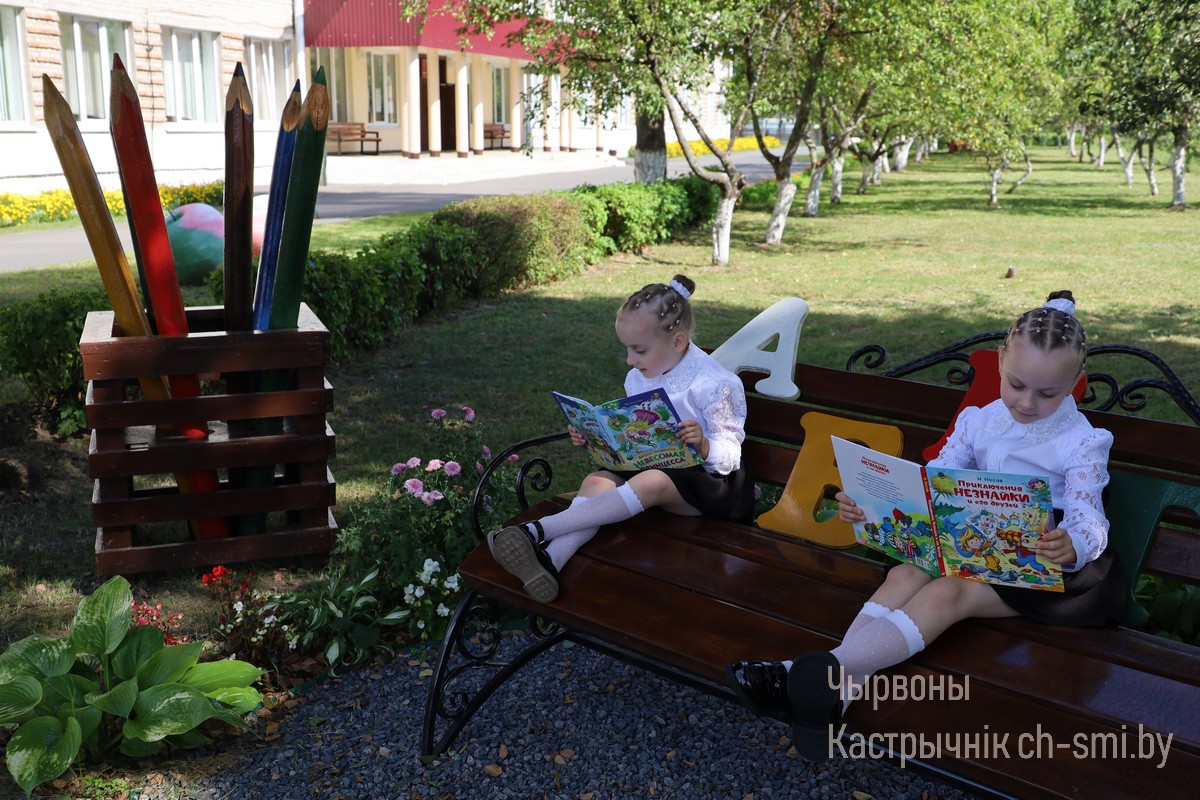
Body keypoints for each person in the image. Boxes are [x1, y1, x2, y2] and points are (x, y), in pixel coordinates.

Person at [725, 290, 1126, 757]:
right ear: (1000, 360)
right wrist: (870, 505)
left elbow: (1088, 514)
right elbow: (931, 484)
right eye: (1016, 384)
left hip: (1041, 563)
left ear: (1076, 381)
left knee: (946, 592)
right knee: (904, 574)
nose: (1027, 402)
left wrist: (1072, 542)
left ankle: (798, 672)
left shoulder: (1082, 441)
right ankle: (836, 695)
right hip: (973, 537)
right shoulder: (979, 421)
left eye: (1048, 393)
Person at [488, 274, 755, 603]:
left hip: (711, 485)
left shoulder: (714, 383)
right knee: (597, 481)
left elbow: (731, 456)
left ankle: (536, 530)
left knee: (651, 481)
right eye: (627, 349)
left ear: (677, 342)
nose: (630, 359)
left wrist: (703, 444)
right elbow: (633, 435)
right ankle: (550, 560)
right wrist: (595, 436)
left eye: (639, 350)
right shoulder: (638, 376)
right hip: (653, 467)